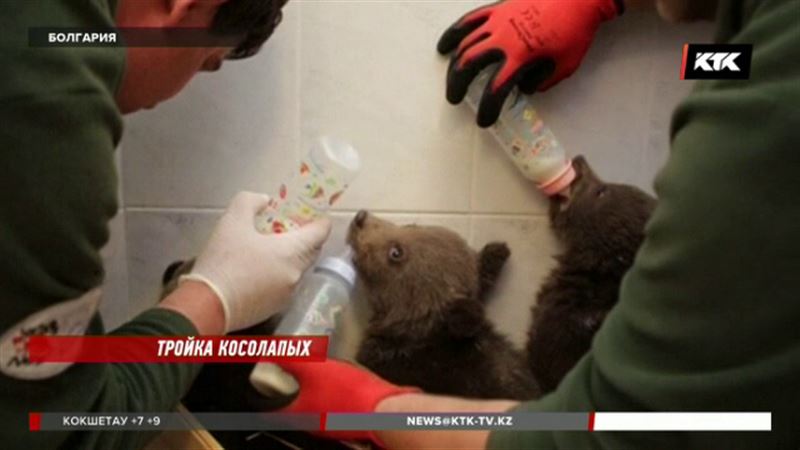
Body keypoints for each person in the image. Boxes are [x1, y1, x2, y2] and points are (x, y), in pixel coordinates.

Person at [275, 0, 800, 448]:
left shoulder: (767, 122)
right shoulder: (769, 55)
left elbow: (599, 435)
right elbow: (749, 63)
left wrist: (378, 410)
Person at [0, 1, 331, 449]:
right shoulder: (53, 97)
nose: (182, 88)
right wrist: (215, 297)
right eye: (206, 63)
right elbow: (69, 431)